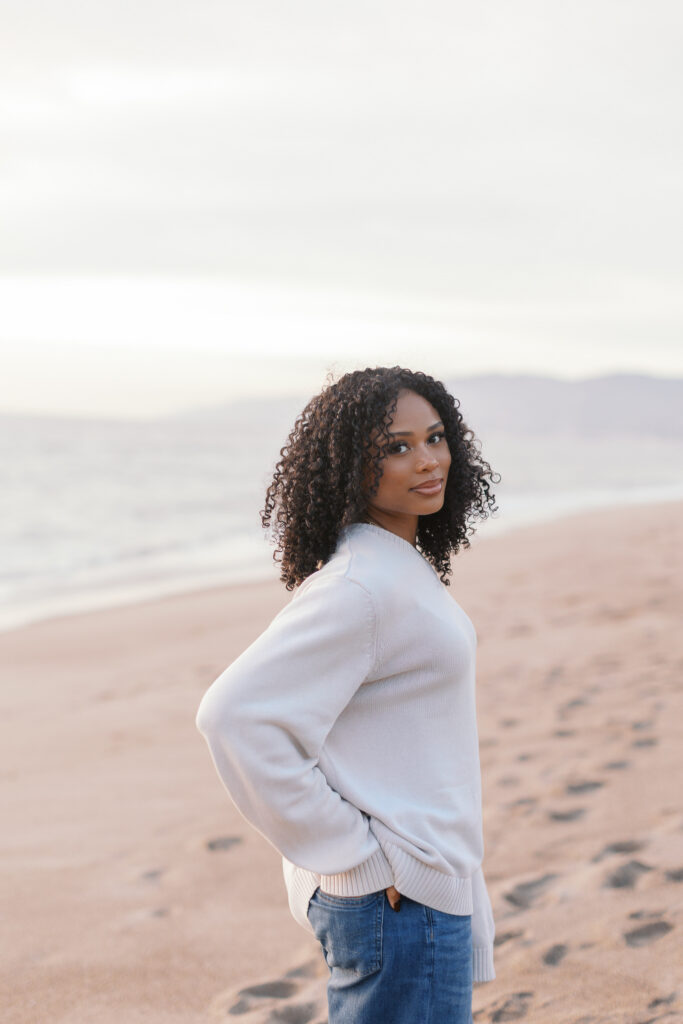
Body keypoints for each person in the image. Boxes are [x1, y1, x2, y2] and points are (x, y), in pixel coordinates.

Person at [195, 365, 501, 1023]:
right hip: (398, 895)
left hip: (416, 884)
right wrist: (355, 857)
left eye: (435, 437)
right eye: (394, 446)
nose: (426, 461)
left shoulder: (395, 567)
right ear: (347, 467)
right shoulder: (360, 586)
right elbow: (233, 715)